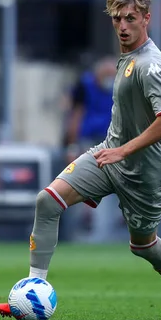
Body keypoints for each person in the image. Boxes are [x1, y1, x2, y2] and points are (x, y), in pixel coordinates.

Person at [0, 0, 161, 320]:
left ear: (146, 18)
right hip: (107, 154)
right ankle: (33, 290)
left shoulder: (150, 66)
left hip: (143, 170)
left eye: (130, 18)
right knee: (47, 201)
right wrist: (114, 150)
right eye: (117, 18)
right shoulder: (126, 56)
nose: (122, 25)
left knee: (143, 246)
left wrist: (124, 152)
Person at [64, 56, 124, 243]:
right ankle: (87, 215)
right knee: (86, 176)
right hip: (89, 139)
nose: (109, 79)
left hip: (114, 139)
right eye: (106, 74)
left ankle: (124, 212)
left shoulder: (121, 88)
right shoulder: (85, 87)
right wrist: (72, 145)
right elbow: (76, 115)